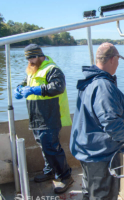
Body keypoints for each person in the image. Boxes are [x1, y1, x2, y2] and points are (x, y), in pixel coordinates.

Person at [70, 42, 124, 200]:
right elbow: (113, 126)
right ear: (112, 59)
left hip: (87, 150)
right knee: (102, 195)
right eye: (118, 59)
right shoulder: (103, 86)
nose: (118, 63)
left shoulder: (90, 80)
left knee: (89, 191)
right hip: (99, 156)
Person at [13, 44, 73, 194]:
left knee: (51, 148)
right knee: (43, 146)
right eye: (28, 59)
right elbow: (26, 82)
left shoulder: (52, 69)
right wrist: (20, 88)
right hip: (36, 116)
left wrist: (35, 90)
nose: (30, 62)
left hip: (50, 116)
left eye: (32, 58)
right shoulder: (33, 70)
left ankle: (65, 177)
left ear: (40, 55)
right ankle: (49, 171)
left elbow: (59, 86)